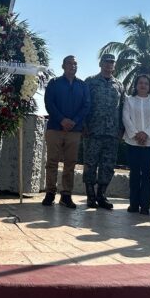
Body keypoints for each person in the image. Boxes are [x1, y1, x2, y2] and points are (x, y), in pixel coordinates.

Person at [42, 55, 91, 209]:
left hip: (74, 131)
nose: (72, 66)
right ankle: (50, 192)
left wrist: (74, 121)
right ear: (63, 66)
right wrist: (62, 119)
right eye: (69, 63)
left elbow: (86, 106)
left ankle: (66, 195)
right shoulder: (54, 83)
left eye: (75, 64)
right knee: (52, 162)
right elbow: (49, 103)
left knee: (70, 164)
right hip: (55, 128)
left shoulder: (83, 85)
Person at [83, 53, 124, 210]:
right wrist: (84, 125)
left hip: (112, 133)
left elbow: (123, 108)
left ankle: (101, 195)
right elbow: (85, 104)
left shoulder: (119, 85)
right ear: (100, 64)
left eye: (112, 63)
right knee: (90, 163)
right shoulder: (90, 82)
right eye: (106, 62)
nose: (109, 65)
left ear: (114, 66)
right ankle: (90, 195)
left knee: (108, 165)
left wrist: (122, 129)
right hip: (93, 130)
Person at [122, 74, 150, 215]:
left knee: (146, 174)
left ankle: (145, 206)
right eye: (140, 83)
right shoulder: (129, 100)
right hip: (132, 142)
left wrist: (146, 134)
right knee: (134, 174)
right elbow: (126, 118)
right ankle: (133, 204)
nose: (143, 85)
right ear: (136, 85)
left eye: (146, 83)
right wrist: (136, 134)